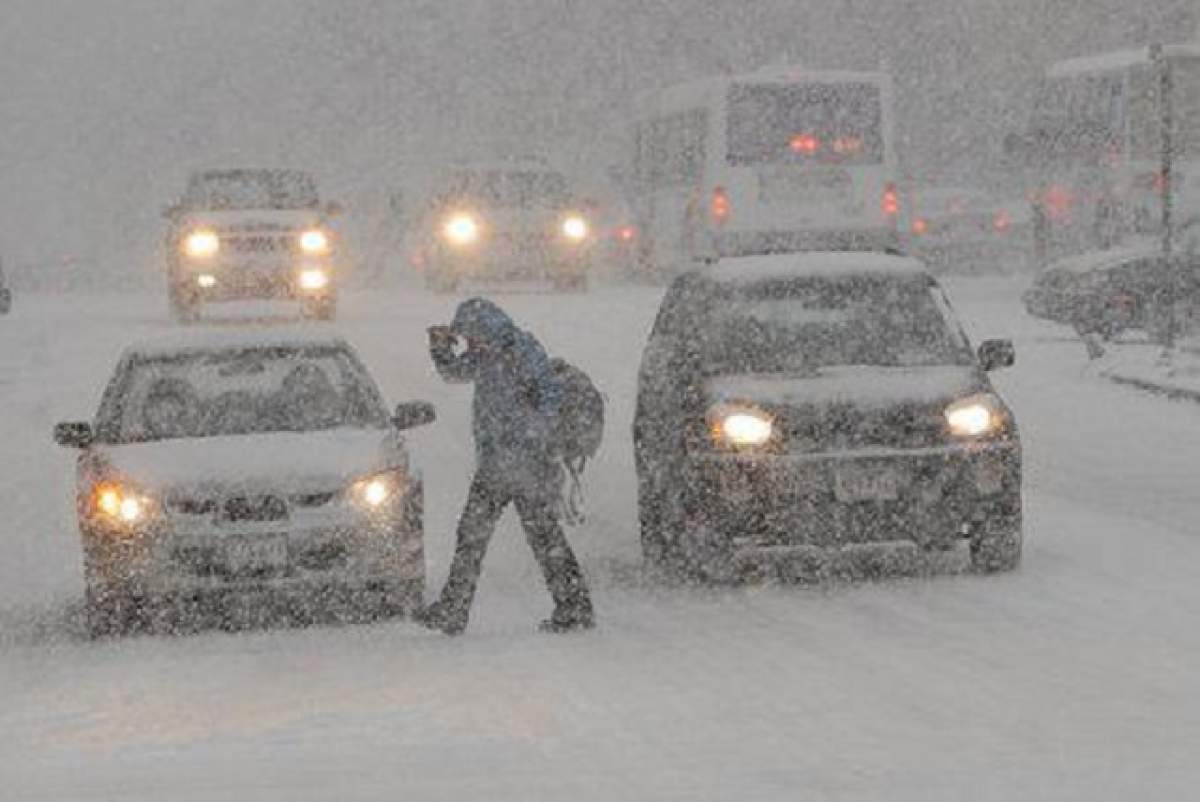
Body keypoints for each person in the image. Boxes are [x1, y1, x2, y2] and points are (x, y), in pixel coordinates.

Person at [416, 298, 594, 635]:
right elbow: (455, 373)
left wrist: (526, 438)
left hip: (525, 465)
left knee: (505, 536)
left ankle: (573, 608)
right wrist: (440, 349)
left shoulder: (522, 351)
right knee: (503, 536)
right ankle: (573, 607)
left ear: (486, 329)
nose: (470, 343)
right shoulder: (487, 354)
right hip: (499, 464)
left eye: (471, 336)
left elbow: (551, 399)